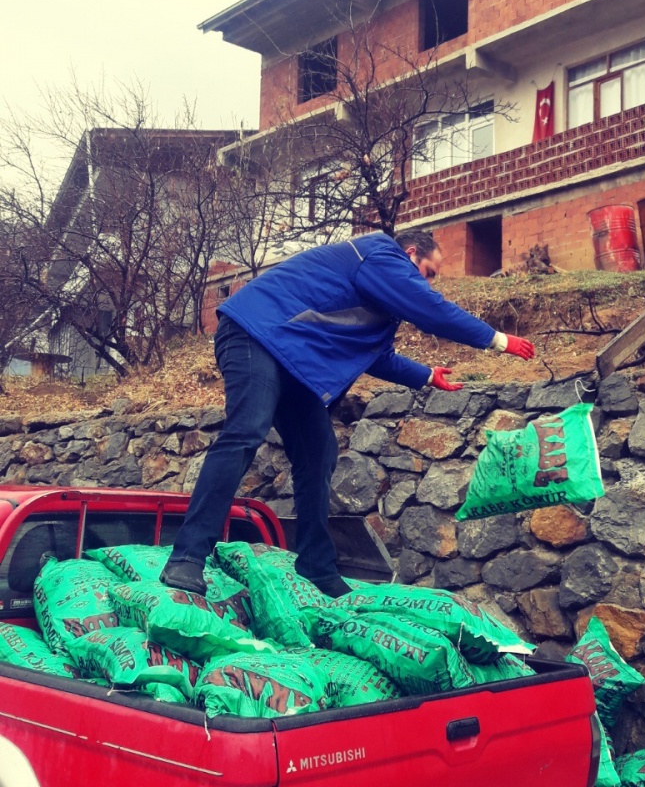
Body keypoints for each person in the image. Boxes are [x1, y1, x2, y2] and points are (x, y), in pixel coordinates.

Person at [160, 228, 535, 598]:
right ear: (409, 254)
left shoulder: (380, 305)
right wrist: (497, 339)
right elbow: (430, 309)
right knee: (247, 430)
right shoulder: (378, 255)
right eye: (429, 273)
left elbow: (378, 357)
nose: (429, 284)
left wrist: (425, 375)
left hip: (292, 359)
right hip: (253, 333)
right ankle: (188, 556)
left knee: (318, 452)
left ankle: (315, 566)